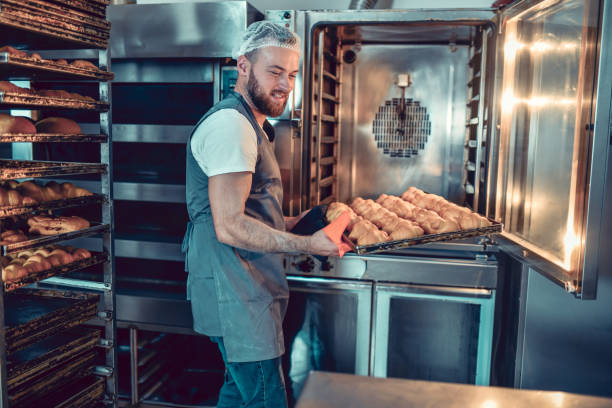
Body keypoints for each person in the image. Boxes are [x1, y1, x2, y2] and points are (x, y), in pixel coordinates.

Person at [182, 21, 340, 408]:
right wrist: (306, 244)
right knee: (266, 397)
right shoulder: (232, 126)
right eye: (274, 72)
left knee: (239, 392)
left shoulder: (254, 126)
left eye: (292, 74)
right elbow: (230, 225)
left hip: (244, 290)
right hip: (234, 292)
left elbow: (253, 215)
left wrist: (312, 220)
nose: (285, 85)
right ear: (244, 67)